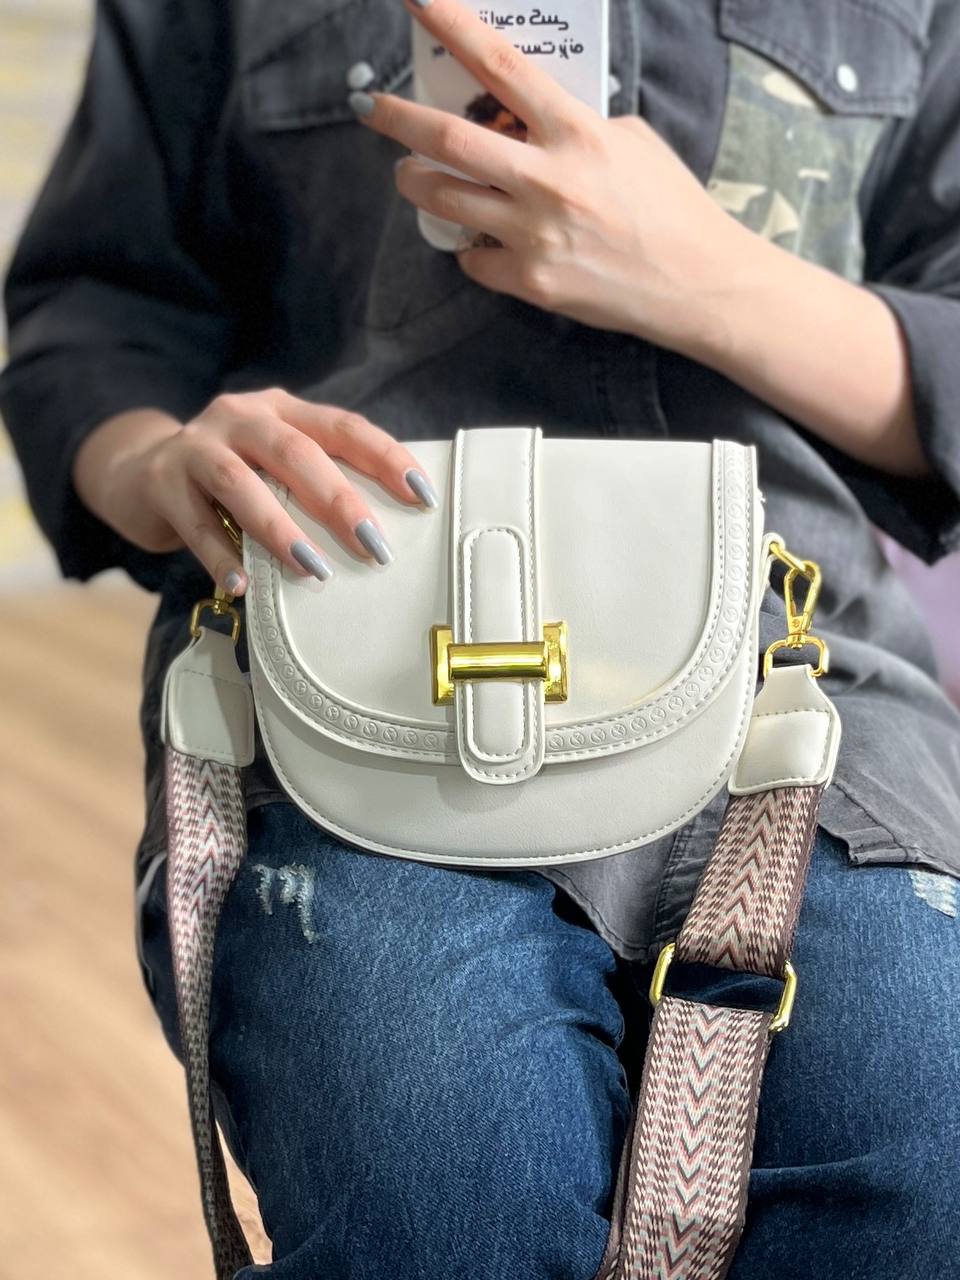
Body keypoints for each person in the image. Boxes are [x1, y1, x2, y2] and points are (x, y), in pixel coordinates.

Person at [2, 0, 960, 1276]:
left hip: (797, 666)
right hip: (349, 652)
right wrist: (157, 461)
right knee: (438, 1191)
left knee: (922, 1148)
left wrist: (707, 276)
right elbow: (91, 319)